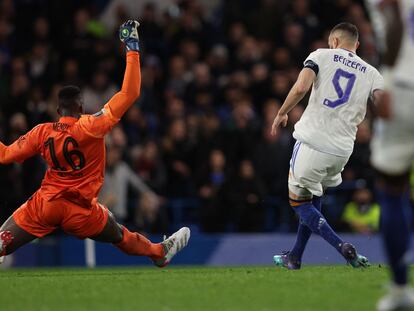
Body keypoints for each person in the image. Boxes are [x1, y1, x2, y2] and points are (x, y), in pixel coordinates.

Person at [0, 20, 190, 268]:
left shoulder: (41, 132)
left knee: (2, 242)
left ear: (58, 110)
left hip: (46, 204)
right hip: (82, 212)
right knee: (121, 235)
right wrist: (132, 46)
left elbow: (4, 156)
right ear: (81, 107)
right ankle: (158, 252)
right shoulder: (92, 125)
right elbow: (130, 92)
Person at [271, 22, 384, 269]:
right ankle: (295, 257)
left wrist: (282, 112)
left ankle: (341, 246)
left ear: (333, 41)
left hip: (313, 141)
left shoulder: (321, 55)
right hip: (342, 151)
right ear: (357, 45)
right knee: (313, 196)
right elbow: (383, 105)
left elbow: (301, 87)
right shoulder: (372, 72)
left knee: (299, 202)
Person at [368, 0, 414, 310]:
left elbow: (395, 17)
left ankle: (400, 289)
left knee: (392, 188)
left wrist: (387, 75)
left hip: (405, 86)